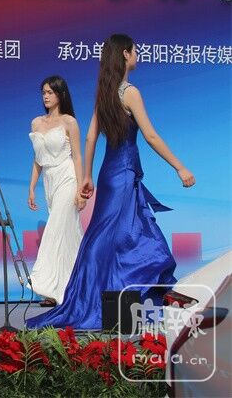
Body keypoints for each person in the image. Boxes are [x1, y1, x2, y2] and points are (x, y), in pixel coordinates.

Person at [28, 34, 195, 329]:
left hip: (108, 174)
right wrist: (179, 167)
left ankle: (102, 295)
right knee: (129, 234)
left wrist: (88, 176)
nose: (137, 55)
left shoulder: (105, 94)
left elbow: (91, 138)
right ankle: (117, 296)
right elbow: (150, 135)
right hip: (125, 172)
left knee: (108, 235)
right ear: (125, 55)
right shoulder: (130, 92)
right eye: (135, 51)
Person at [26, 75, 84, 307]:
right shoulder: (36, 123)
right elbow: (37, 159)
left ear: (61, 94)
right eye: (44, 92)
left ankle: (47, 285)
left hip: (67, 177)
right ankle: (72, 286)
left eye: (50, 92)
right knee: (68, 234)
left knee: (55, 231)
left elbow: (77, 156)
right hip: (49, 180)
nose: (46, 96)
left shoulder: (70, 122)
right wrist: (31, 187)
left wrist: (81, 189)